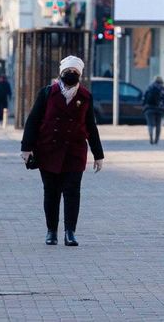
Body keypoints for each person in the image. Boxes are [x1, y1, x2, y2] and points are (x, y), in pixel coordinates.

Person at [21, 56, 104, 247]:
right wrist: (26, 148)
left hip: (74, 152)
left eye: (75, 72)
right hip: (48, 150)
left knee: (72, 192)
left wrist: (98, 154)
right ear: (61, 73)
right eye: (68, 71)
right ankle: (51, 231)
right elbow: (33, 121)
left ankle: (70, 232)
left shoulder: (85, 96)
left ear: (80, 75)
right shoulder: (47, 93)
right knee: (51, 192)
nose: (71, 74)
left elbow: (91, 126)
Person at [142, 76, 164, 144]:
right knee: (158, 125)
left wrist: (144, 107)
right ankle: (156, 140)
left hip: (149, 109)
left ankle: (151, 136)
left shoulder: (149, 88)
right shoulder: (162, 89)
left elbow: (144, 98)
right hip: (159, 109)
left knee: (150, 124)